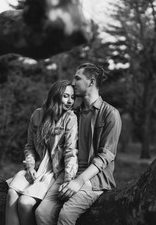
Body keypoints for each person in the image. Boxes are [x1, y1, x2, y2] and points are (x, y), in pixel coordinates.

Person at [35, 63, 122, 225]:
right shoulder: (71, 114)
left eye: (77, 78)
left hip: (95, 179)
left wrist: (78, 181)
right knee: (42, 212)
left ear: (91, 82)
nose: (73, 82)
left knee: (66, 215)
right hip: (67, 173)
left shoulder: (111, 114)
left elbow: (106, 156)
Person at [5, 80, 79, 225]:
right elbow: (30, 146)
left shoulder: (70, 118)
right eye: (66, 96)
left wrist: (68, 179)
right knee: (11, 193)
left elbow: (71, 151)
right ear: (55, 96)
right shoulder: (37, 115)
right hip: (37, 168)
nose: (70, 101)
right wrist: (30, 167)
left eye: (72, 97)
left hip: (54, 171)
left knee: (25, 203)